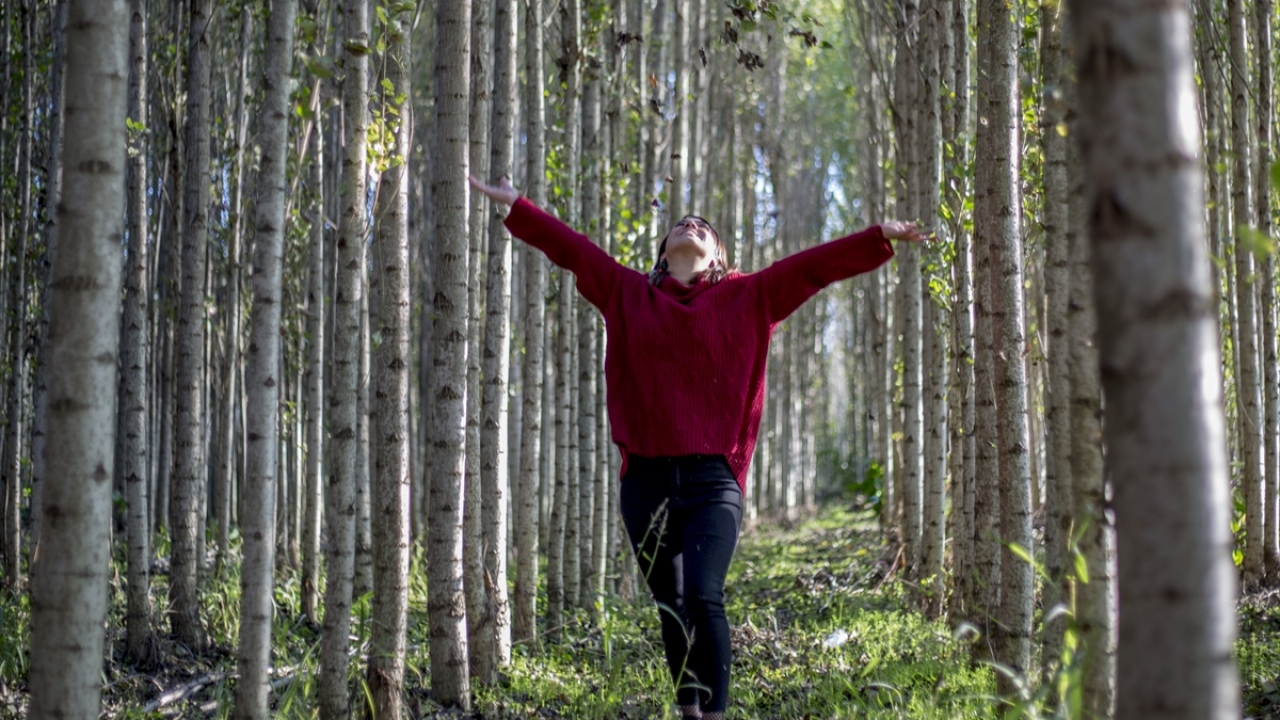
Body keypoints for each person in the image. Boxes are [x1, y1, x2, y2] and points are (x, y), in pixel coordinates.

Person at [469, 175, 928, 719]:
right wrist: (516, 206)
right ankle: (688, 710)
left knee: (705, 597)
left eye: (704, 228)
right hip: (646, 482)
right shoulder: (626, 293)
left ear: (716, 258)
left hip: (714, 481)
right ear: (663, 252)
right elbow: (573, 251)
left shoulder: (750, 295)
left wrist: (878, 235)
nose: (692, 225)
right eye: (682, 225)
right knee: (672, 607)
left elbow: (813, 268)